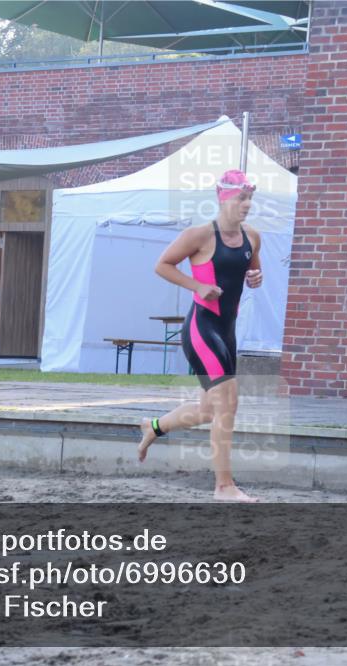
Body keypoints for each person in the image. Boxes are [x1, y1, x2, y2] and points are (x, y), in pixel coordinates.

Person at [137, 169, 264, 502]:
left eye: (250, 198)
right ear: (224, 198)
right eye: (242, 198)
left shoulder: (252, 237)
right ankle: (224, 487)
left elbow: (253, 270)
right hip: (202, 328)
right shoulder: (200, 235)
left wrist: (256, 278)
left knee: (209, 410)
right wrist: (197, 286)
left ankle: (153, 427)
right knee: (228, 404)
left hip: (228, 330)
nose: (247, 204)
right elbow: (162, 265)